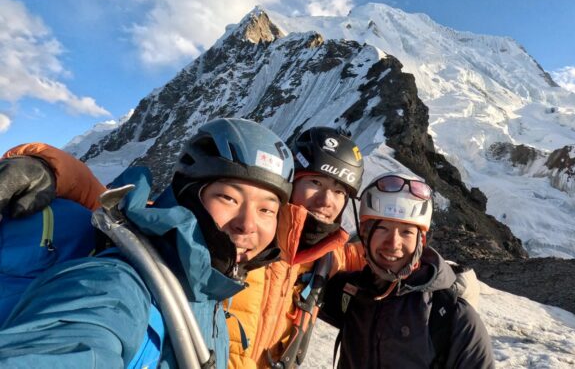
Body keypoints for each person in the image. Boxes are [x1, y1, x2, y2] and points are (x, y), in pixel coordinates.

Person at [0, 118, 294, 369]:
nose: (248, 224)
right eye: (229, 198)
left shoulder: (210, 293)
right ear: (188, 196)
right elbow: (76, 341)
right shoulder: (114, 284)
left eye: (266, 209)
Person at [321, 172, 495, 368]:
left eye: (406, 232)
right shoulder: (349, 292)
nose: (393, 243)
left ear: (420, 241)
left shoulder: (453, 318)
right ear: (364, 233)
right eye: (383, 228)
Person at [226, 126, 367, 368]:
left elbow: (376, 257)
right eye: (315, 182)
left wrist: (432, 266)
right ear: (291, 181)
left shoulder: (326, 257)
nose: (326, 201)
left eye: (338, 191)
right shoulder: (242, 234)